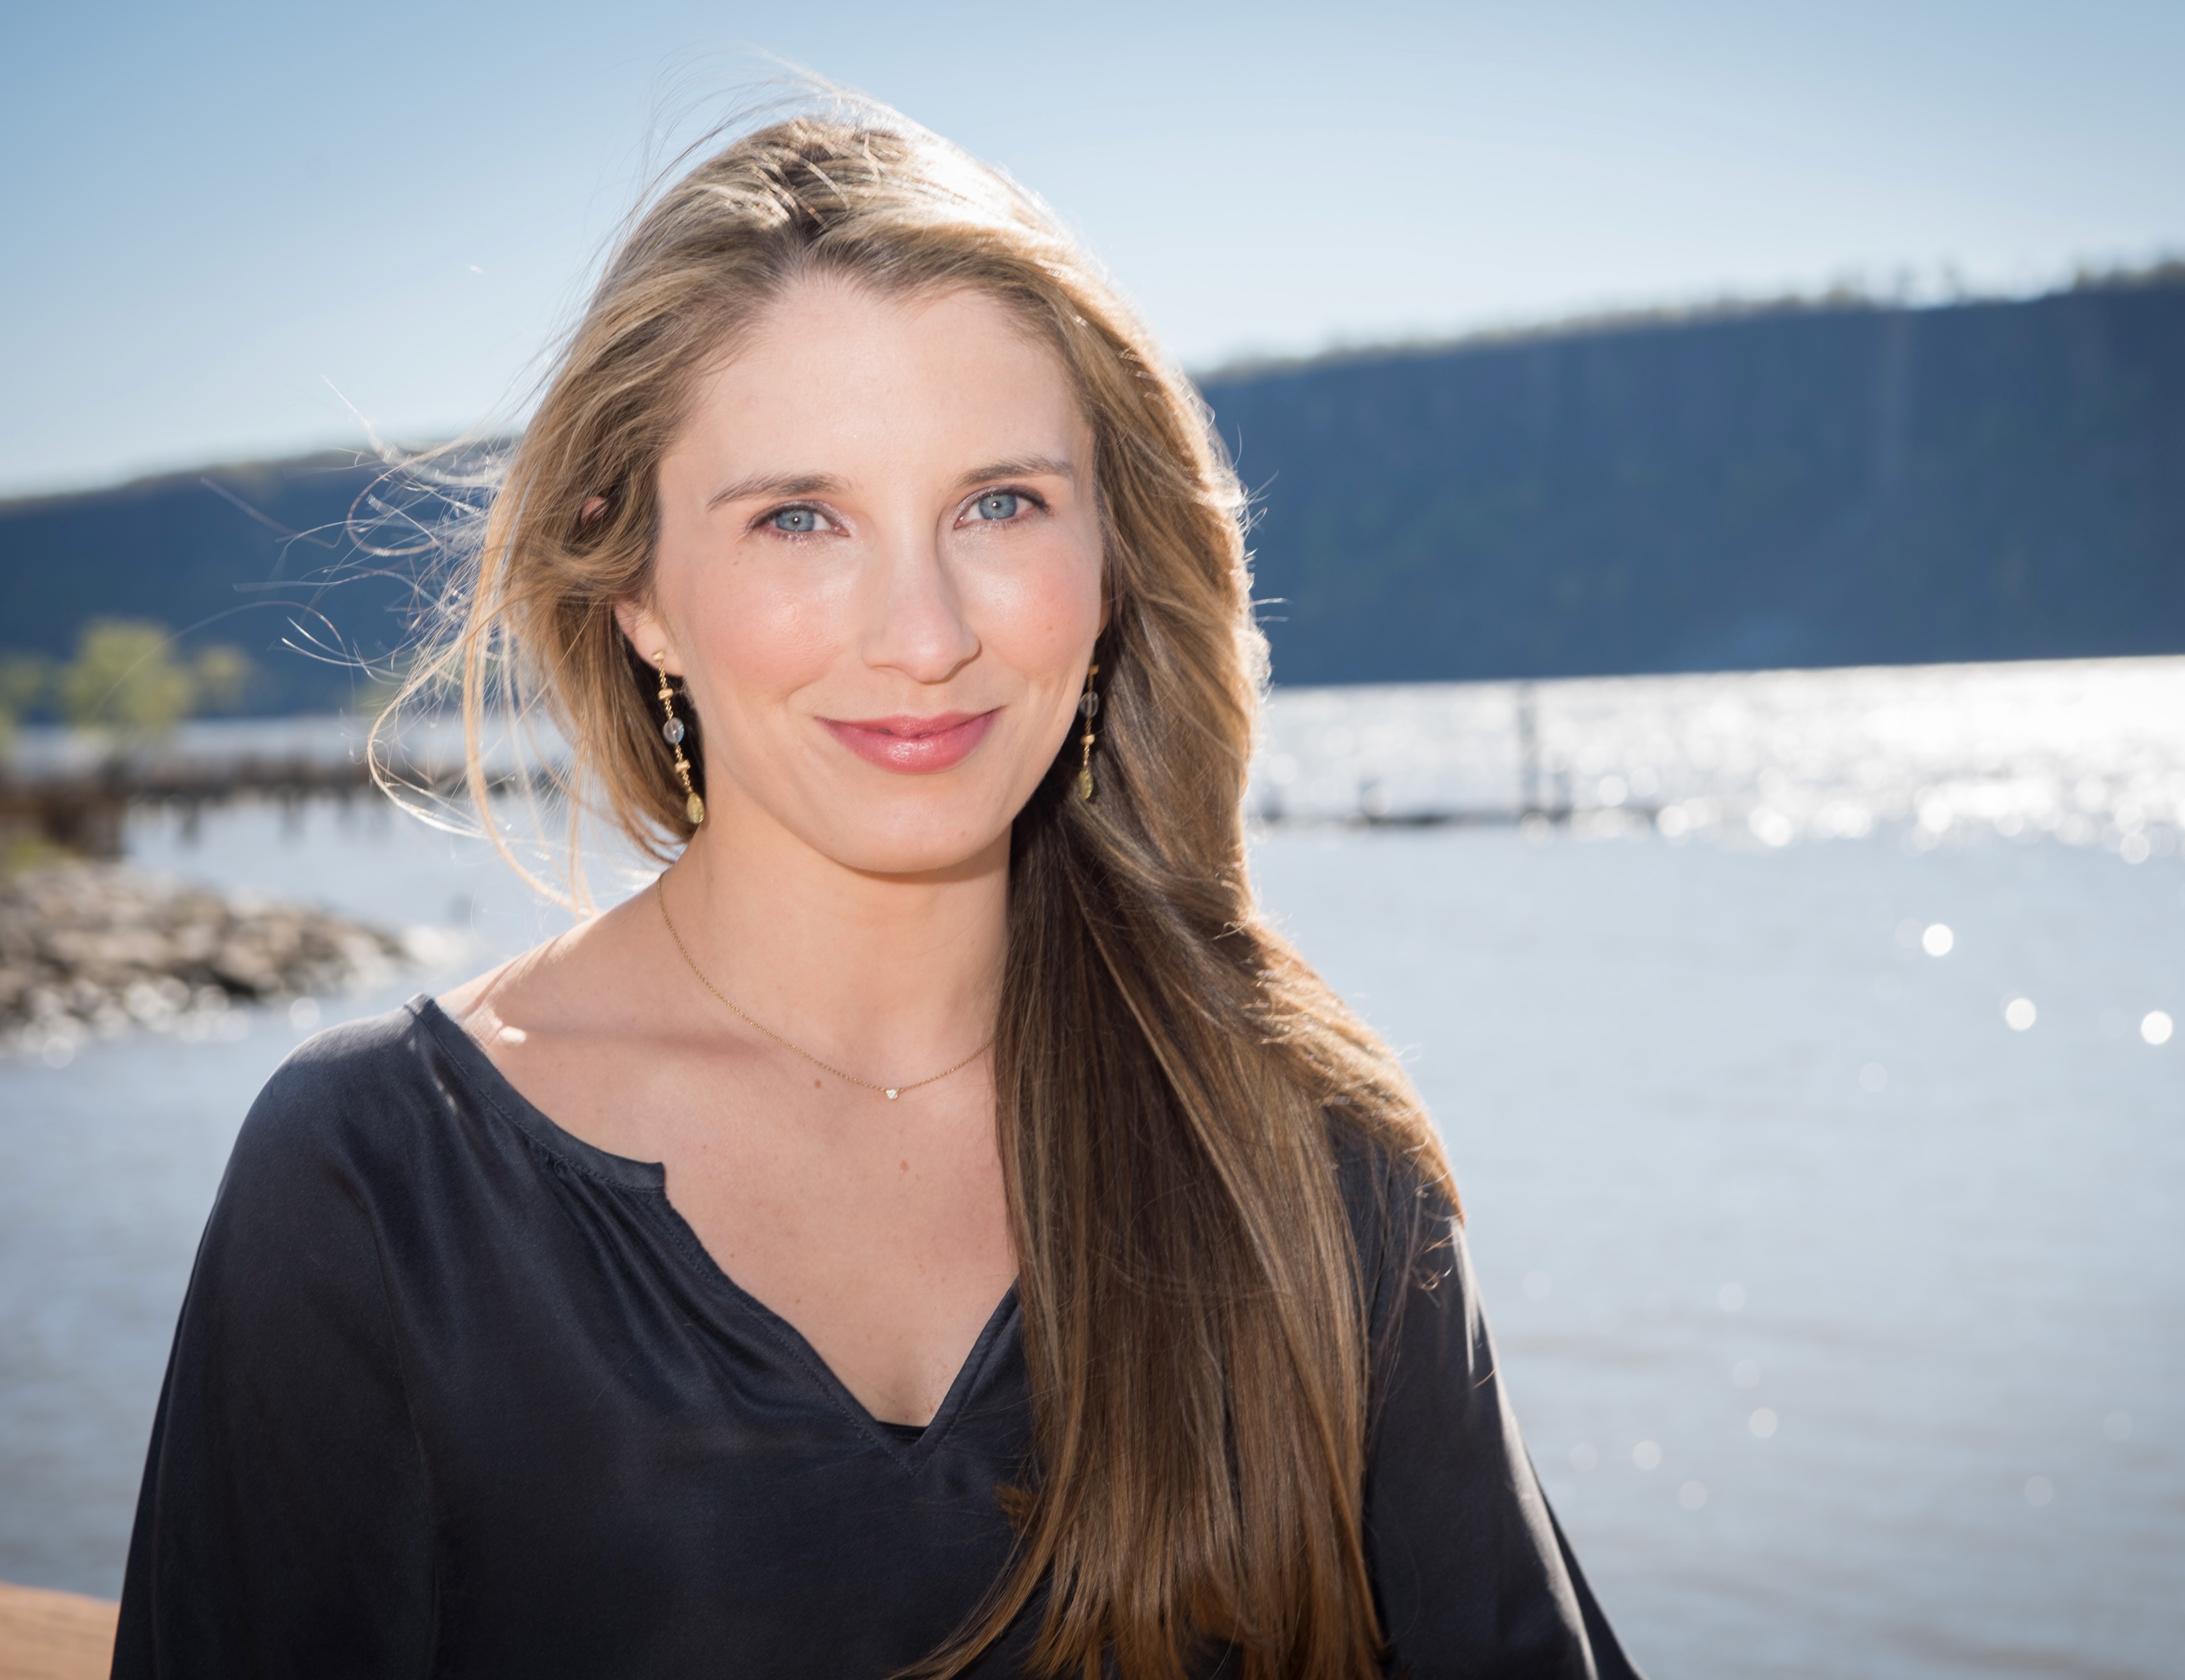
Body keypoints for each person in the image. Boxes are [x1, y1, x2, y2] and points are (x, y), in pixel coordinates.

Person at [111, 97, 1640, 1680]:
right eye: (799, 517)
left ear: (1112, 556)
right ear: (633, 584)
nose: (922, 632)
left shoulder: (1296, 1153)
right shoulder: (379, 1184)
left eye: (998, 504)